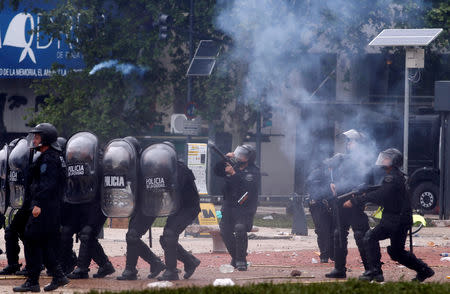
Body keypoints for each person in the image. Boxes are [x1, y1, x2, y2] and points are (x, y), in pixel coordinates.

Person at [343, 148, 435, 282]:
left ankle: (375, 272)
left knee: (370, 237)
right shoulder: (395, 175)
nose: (383, 159)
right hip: (402, 219)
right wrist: (363, 192)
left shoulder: (391, 177)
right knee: (396, 252)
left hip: (395, 219)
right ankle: (424, 270)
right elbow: (384, 192)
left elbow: (381, 195)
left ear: (394, 161)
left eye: (386, 158)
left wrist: (356, 200)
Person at [13, 123, 69, 292]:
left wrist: (38, 204)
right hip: (50, 207)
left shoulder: (49, 158)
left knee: (30, 237)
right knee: (43, 242)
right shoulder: (52, 155)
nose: (34, 139)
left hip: (45, 207)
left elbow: (47, 184)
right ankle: (58, 276)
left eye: (37, 137)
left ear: (46, 139)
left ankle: (33, 281)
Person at [61, 132, 115, 279]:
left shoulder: (103, 164)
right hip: (78, 203)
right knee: (66, 231)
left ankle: (82, 269)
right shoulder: (71, 164)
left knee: (87, 233)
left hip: (97, 204)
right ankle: (103, 265)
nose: (79, 153)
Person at [116, 138, 166, 281]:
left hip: (150, 205)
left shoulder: (147, 165)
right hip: (138, 206)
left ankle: (131, 270)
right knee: (132, 236)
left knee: (132, 235)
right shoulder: (127, 165)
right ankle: (155, 263)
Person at [325, 129, 371, 279]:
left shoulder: (364, 161)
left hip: (355, 202)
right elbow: (329, 168)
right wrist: (331, 182)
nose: (348, 144)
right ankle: (339, 268)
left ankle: (371, 269)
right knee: (338, 234)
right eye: (348, 141)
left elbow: (366, 185)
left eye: (351, 141)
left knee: (361, 235)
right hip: (340, 202)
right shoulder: (343, 159)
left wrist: (355, 199)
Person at [157, 141, 201, 281]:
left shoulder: (180, 169)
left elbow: (174, 188)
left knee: (170, 235)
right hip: (176, 208)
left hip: (189, 207)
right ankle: (190, 262)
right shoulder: (163, 168)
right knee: (165, 239)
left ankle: (171, 272)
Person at [214, 144, 259, 271]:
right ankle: (237, 256)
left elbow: (245, 188)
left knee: (240, 229)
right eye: (239, 154)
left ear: (249, 158)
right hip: (229, 206)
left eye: (243, 155)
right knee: (225, 231)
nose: (239, 157)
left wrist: (233, 174)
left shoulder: (253, 171)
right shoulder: (233, 165)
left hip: (244, 207)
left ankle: (241, 261)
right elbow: (216, 171)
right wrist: (224, 159)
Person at [0, 138, 30, 276]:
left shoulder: (34, 160)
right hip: (25, 205)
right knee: (11, 231)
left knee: (33, 235)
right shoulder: (13, 165)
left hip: (40, 206)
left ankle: (42, 264)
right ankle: (13, 264)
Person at [305, 162, 334, 263]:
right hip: (319, 205)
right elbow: (315, 191)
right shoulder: (317, 174)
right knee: (323, 230)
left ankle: (332, 253)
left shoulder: (331, 173)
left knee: (332, 230)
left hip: (329, 204)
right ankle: (325, 255)